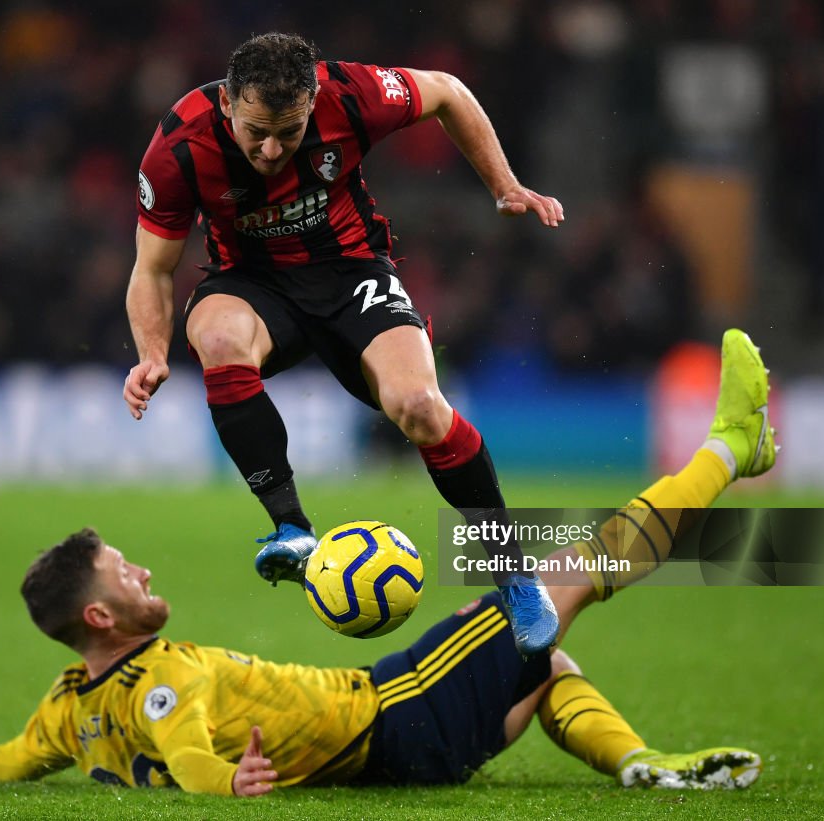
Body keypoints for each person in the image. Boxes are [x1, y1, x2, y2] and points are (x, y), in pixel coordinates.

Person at [0, 330, 775, 795]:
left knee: (550, 662)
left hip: (397, 721)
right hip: (396, 712)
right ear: (100, 618)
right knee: (563, 567)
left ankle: (642, 762)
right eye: (126, 576)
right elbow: (185, 746)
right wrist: (228, 783)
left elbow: (2, 760)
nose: (144, 576)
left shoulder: (68, 708)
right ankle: (731, 448)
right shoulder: (159, 681)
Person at [121, 32, 566, 655]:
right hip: (251, 285)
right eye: (256, 132)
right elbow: (153, 269)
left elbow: (449, 91)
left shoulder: (351, 94)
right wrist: (152, 352)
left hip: (352, 272)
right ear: (228, 105)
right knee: (219, 335)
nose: (272, 150)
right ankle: (291, 527)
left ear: (313, 102)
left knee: (419, 407)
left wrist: (504, 185)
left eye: (290, 131)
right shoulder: (179, 145)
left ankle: (515, 573)